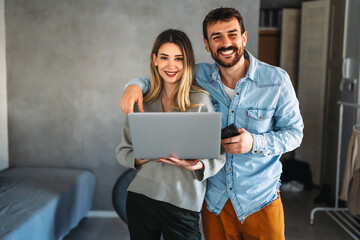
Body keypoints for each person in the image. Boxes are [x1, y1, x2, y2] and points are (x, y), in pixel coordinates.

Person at [120, 7, 304, 240]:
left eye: (232, 34)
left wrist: (254, 142)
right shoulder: (198, 76)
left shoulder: (276, 80)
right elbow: (164, 73)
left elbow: (295, 133)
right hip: (215, 202)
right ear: (207, 45)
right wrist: (133, 85)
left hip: (260, 198)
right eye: (217, 37)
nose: (226, 43)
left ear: (244, 37)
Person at [115, 29, 225, 240]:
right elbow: (122, 151)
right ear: (155, 60)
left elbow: (219, 154)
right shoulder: (142, 101)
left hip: (182, 203)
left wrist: (198, 165)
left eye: (179, 59)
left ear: (187, 63)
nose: (171, 66)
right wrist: (139, 158)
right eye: (164, 57)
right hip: (141, 197)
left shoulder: (200, 101)